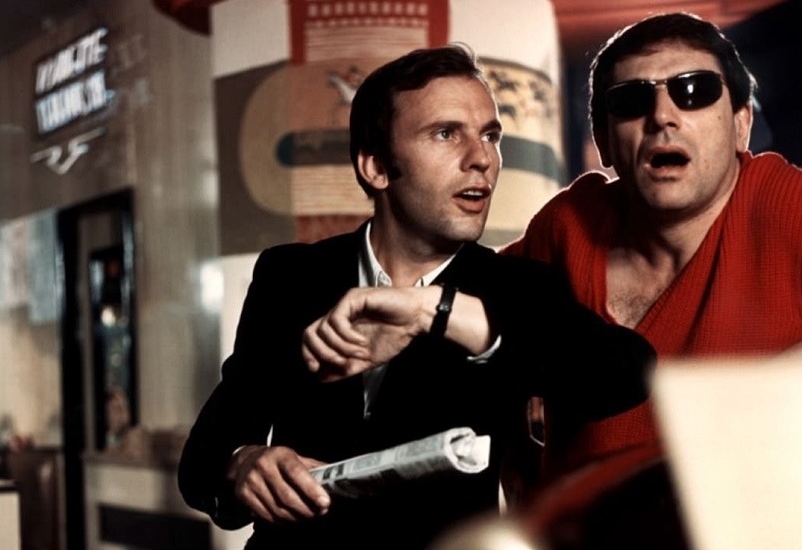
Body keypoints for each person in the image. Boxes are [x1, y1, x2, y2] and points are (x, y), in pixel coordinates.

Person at [178, 44, 656, 550]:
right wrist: (242, 464)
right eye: (446, 133)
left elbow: (625, 374)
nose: (482, 159)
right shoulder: (291, 276)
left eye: (490, 135)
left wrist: (439, 310)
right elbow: (202, 460)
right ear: (376, 167)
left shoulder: (517, 288)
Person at [504, 12, 802, 479]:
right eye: (631, 100)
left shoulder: (785, 204)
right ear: (604, 141)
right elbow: (460, 288)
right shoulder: (568, 226)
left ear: (741, 124)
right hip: (576, 519)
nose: (662, 116)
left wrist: (757, 396)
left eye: (695, 91)